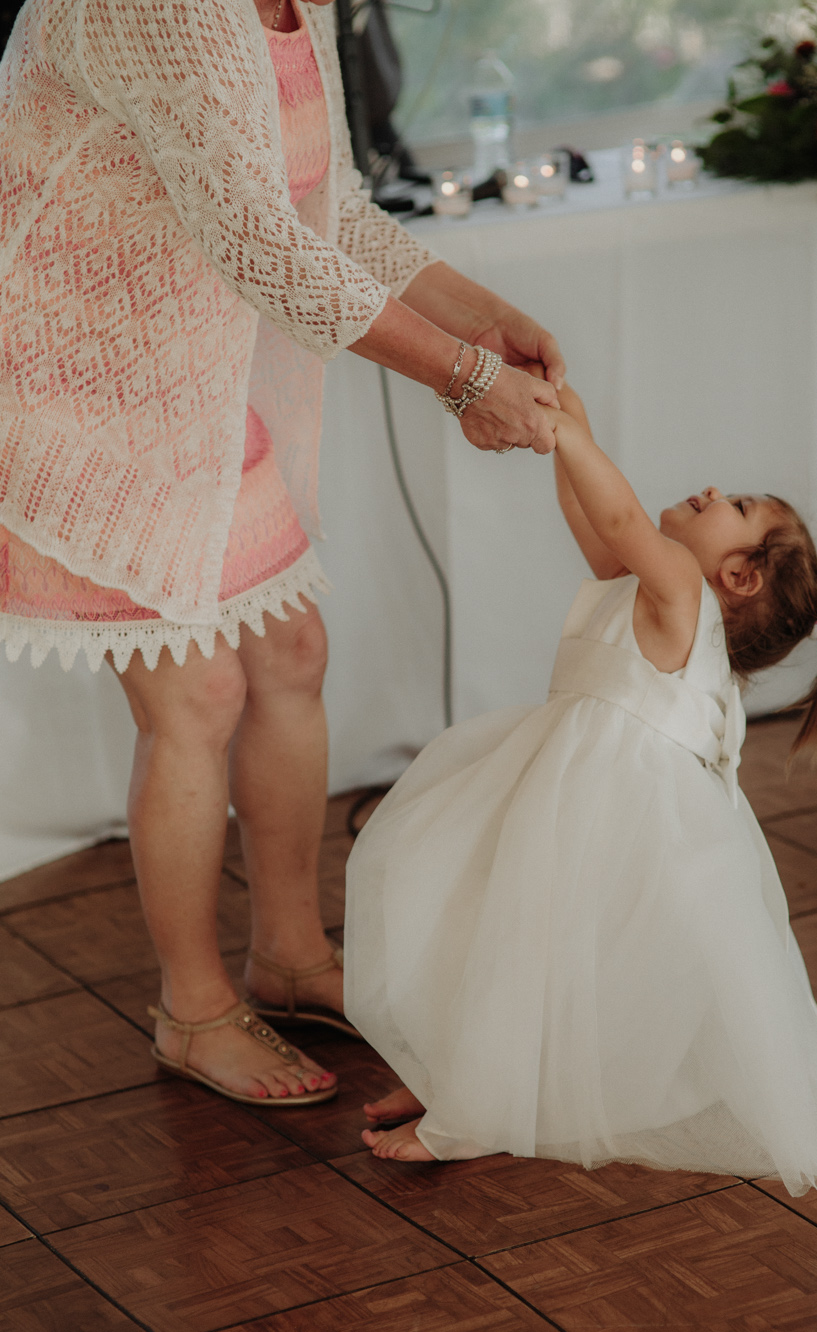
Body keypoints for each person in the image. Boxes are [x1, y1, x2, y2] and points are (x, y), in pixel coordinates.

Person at [0, 0, 565, 1106]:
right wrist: (463, 378)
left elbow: (326, 206)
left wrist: (481, 315)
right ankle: (193, 1007)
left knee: (289, 651)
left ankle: (292, 958)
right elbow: (260, 242)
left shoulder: (291, 6)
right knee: (198, 694)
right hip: (69, 389)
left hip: (179, 382)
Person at [345, 377, 817, 1197]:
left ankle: (478, 1111)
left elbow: (620, 515)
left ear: (737, 578)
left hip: (598, 810)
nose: (709, 492)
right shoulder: (660, 586)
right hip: (559, 783)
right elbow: (598, 534)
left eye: (735, 507)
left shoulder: (679, 596)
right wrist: (571, 428)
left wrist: (570, 439)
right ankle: (458, 1071)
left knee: (524, 945)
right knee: (484, 921)